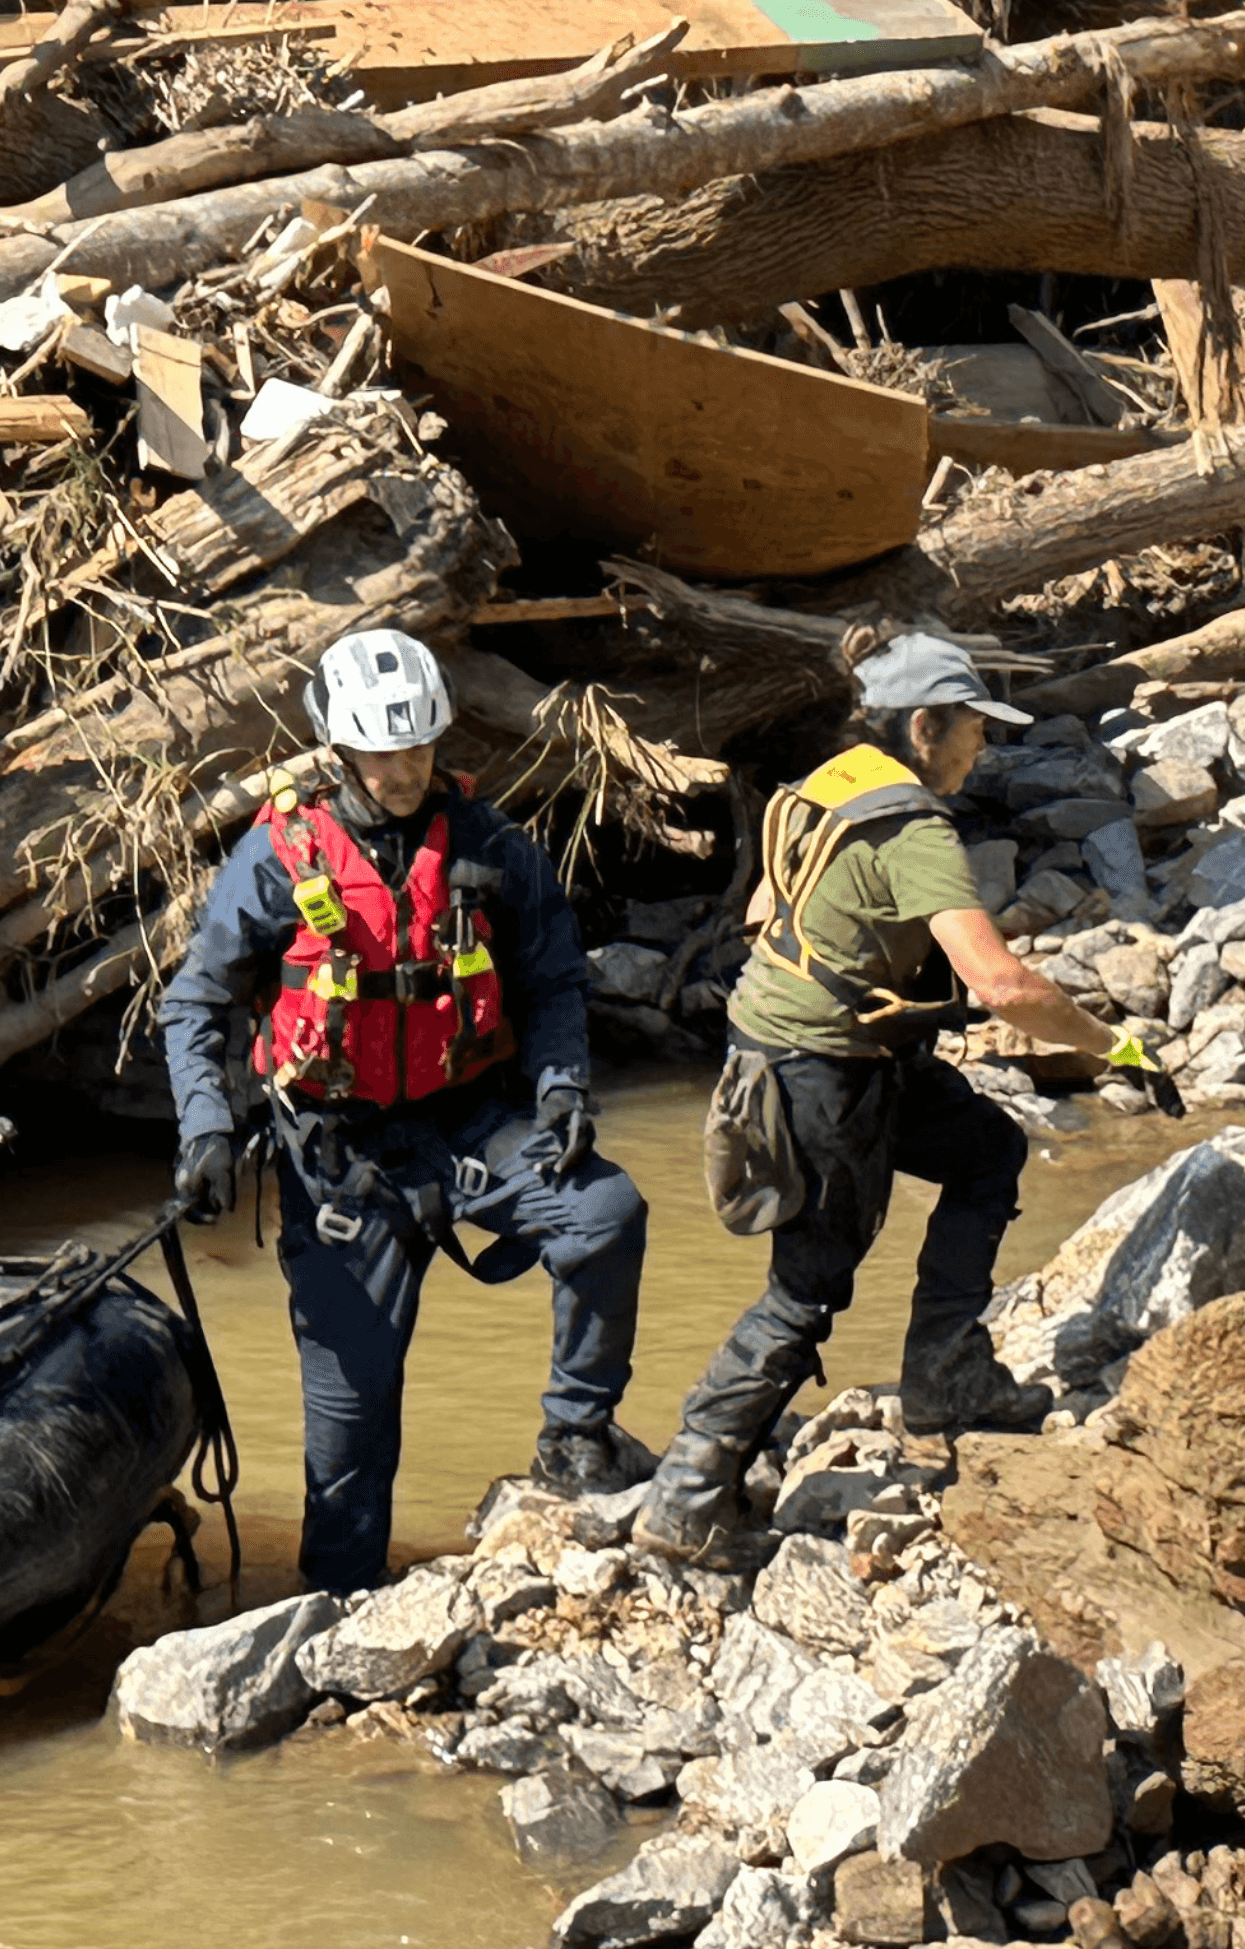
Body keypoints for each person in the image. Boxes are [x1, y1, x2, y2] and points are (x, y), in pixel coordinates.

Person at [635, 630, 1182, 1568]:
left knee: (986, 1152)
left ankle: (945, 1374)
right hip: (822, 1071)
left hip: (814, 1043)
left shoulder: (830, 781)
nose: (983, 748)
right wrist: (1110, 1045)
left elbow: (773, 912)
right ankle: (686, 1497)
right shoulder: (916, 827)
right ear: (924, 726)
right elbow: (1005, 985)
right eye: (973, 728)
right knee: (809, 1287)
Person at [158, 627, 650, 1592]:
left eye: (420, 748)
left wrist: (561, 1088)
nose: (404, 769)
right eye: (383, 753)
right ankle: (341, 1618)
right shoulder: (275, 861)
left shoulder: (492, 842)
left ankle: (576, 1434)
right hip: (339, 1159)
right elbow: (197, 1003)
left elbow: (553, 983)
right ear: (340, 749)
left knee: (605, 1212)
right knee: (348, 1445)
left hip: (472, 1122)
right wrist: (207, 1125)